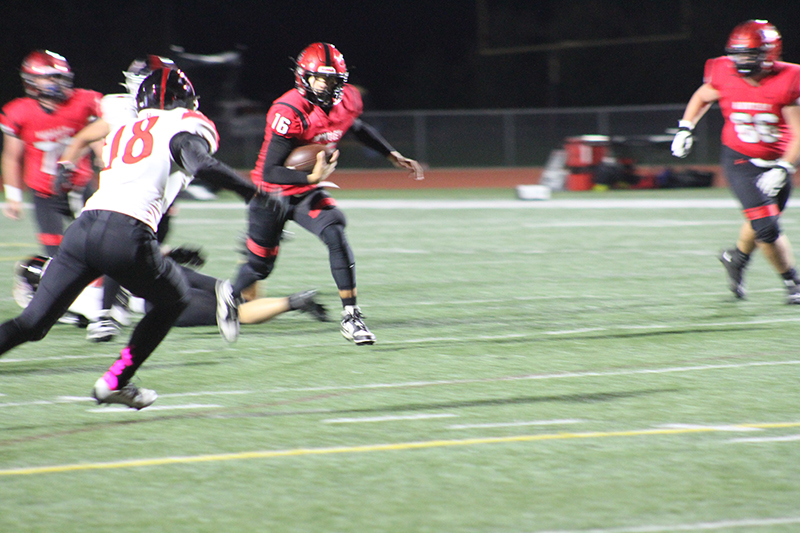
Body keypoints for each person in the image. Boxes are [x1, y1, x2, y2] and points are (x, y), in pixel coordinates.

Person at [0, 68, 282, 410]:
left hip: (84, 229)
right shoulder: (183, 124)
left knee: (32, 323)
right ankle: (115, 382)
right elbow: (200, 163)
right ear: (183, 101)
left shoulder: (124, 129)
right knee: (173, 299)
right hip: (126, 232)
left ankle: (116, 353)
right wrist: (254, 193)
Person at [229, 42, 424, 346]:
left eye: (332, 80)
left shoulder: (347, 100)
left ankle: (351, 316)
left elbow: (355, 127)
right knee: (259, 267)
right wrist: (310, 175)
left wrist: (391, 154)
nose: (326, 85)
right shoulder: (288, 109)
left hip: (306, 188)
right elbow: (270, 171)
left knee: (334, 229)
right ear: (303, 77)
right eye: (320, 78)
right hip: (272, 193)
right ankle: (228, 298)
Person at [671, 20, 800, 304]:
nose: (742, 61)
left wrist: (784, 167)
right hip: (740, 158)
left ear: (769, 54)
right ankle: (793, 282)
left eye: (750, 55)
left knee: (760, 220)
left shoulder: (789, 79)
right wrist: (685, 127)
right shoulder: (723, 71)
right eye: (738, 54)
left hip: (777, 161)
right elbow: (703, 96)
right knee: (766, 227)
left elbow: (798, 134)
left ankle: (736, 259)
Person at [58, 55, 176, 343]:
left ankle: (114, 302)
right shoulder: (121, 107)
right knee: (118, 251)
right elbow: (85, 136)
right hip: (117, 191)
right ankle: (102, 312)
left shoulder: (167, 112)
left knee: (139, 250)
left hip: (148, 194)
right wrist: (65, 167)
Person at [12, 251, 328, 328]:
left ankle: (294, 302)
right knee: (238, 295)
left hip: (152, 298)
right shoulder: (82, 257)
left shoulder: (67, 297)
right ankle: (253, 258)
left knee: (240, 314)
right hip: (164, 269)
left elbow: (93, 319)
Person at [1, 50, 102, 256]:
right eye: (49, 78)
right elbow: (12, 157)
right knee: (54, 254)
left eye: (58, 77)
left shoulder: (84, 101)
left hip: (79, 187)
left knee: (99, 244)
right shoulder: (19, 112)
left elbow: (101, 137)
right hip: (44, 193)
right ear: (32, 81)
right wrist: (13, 197)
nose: (56, 83)